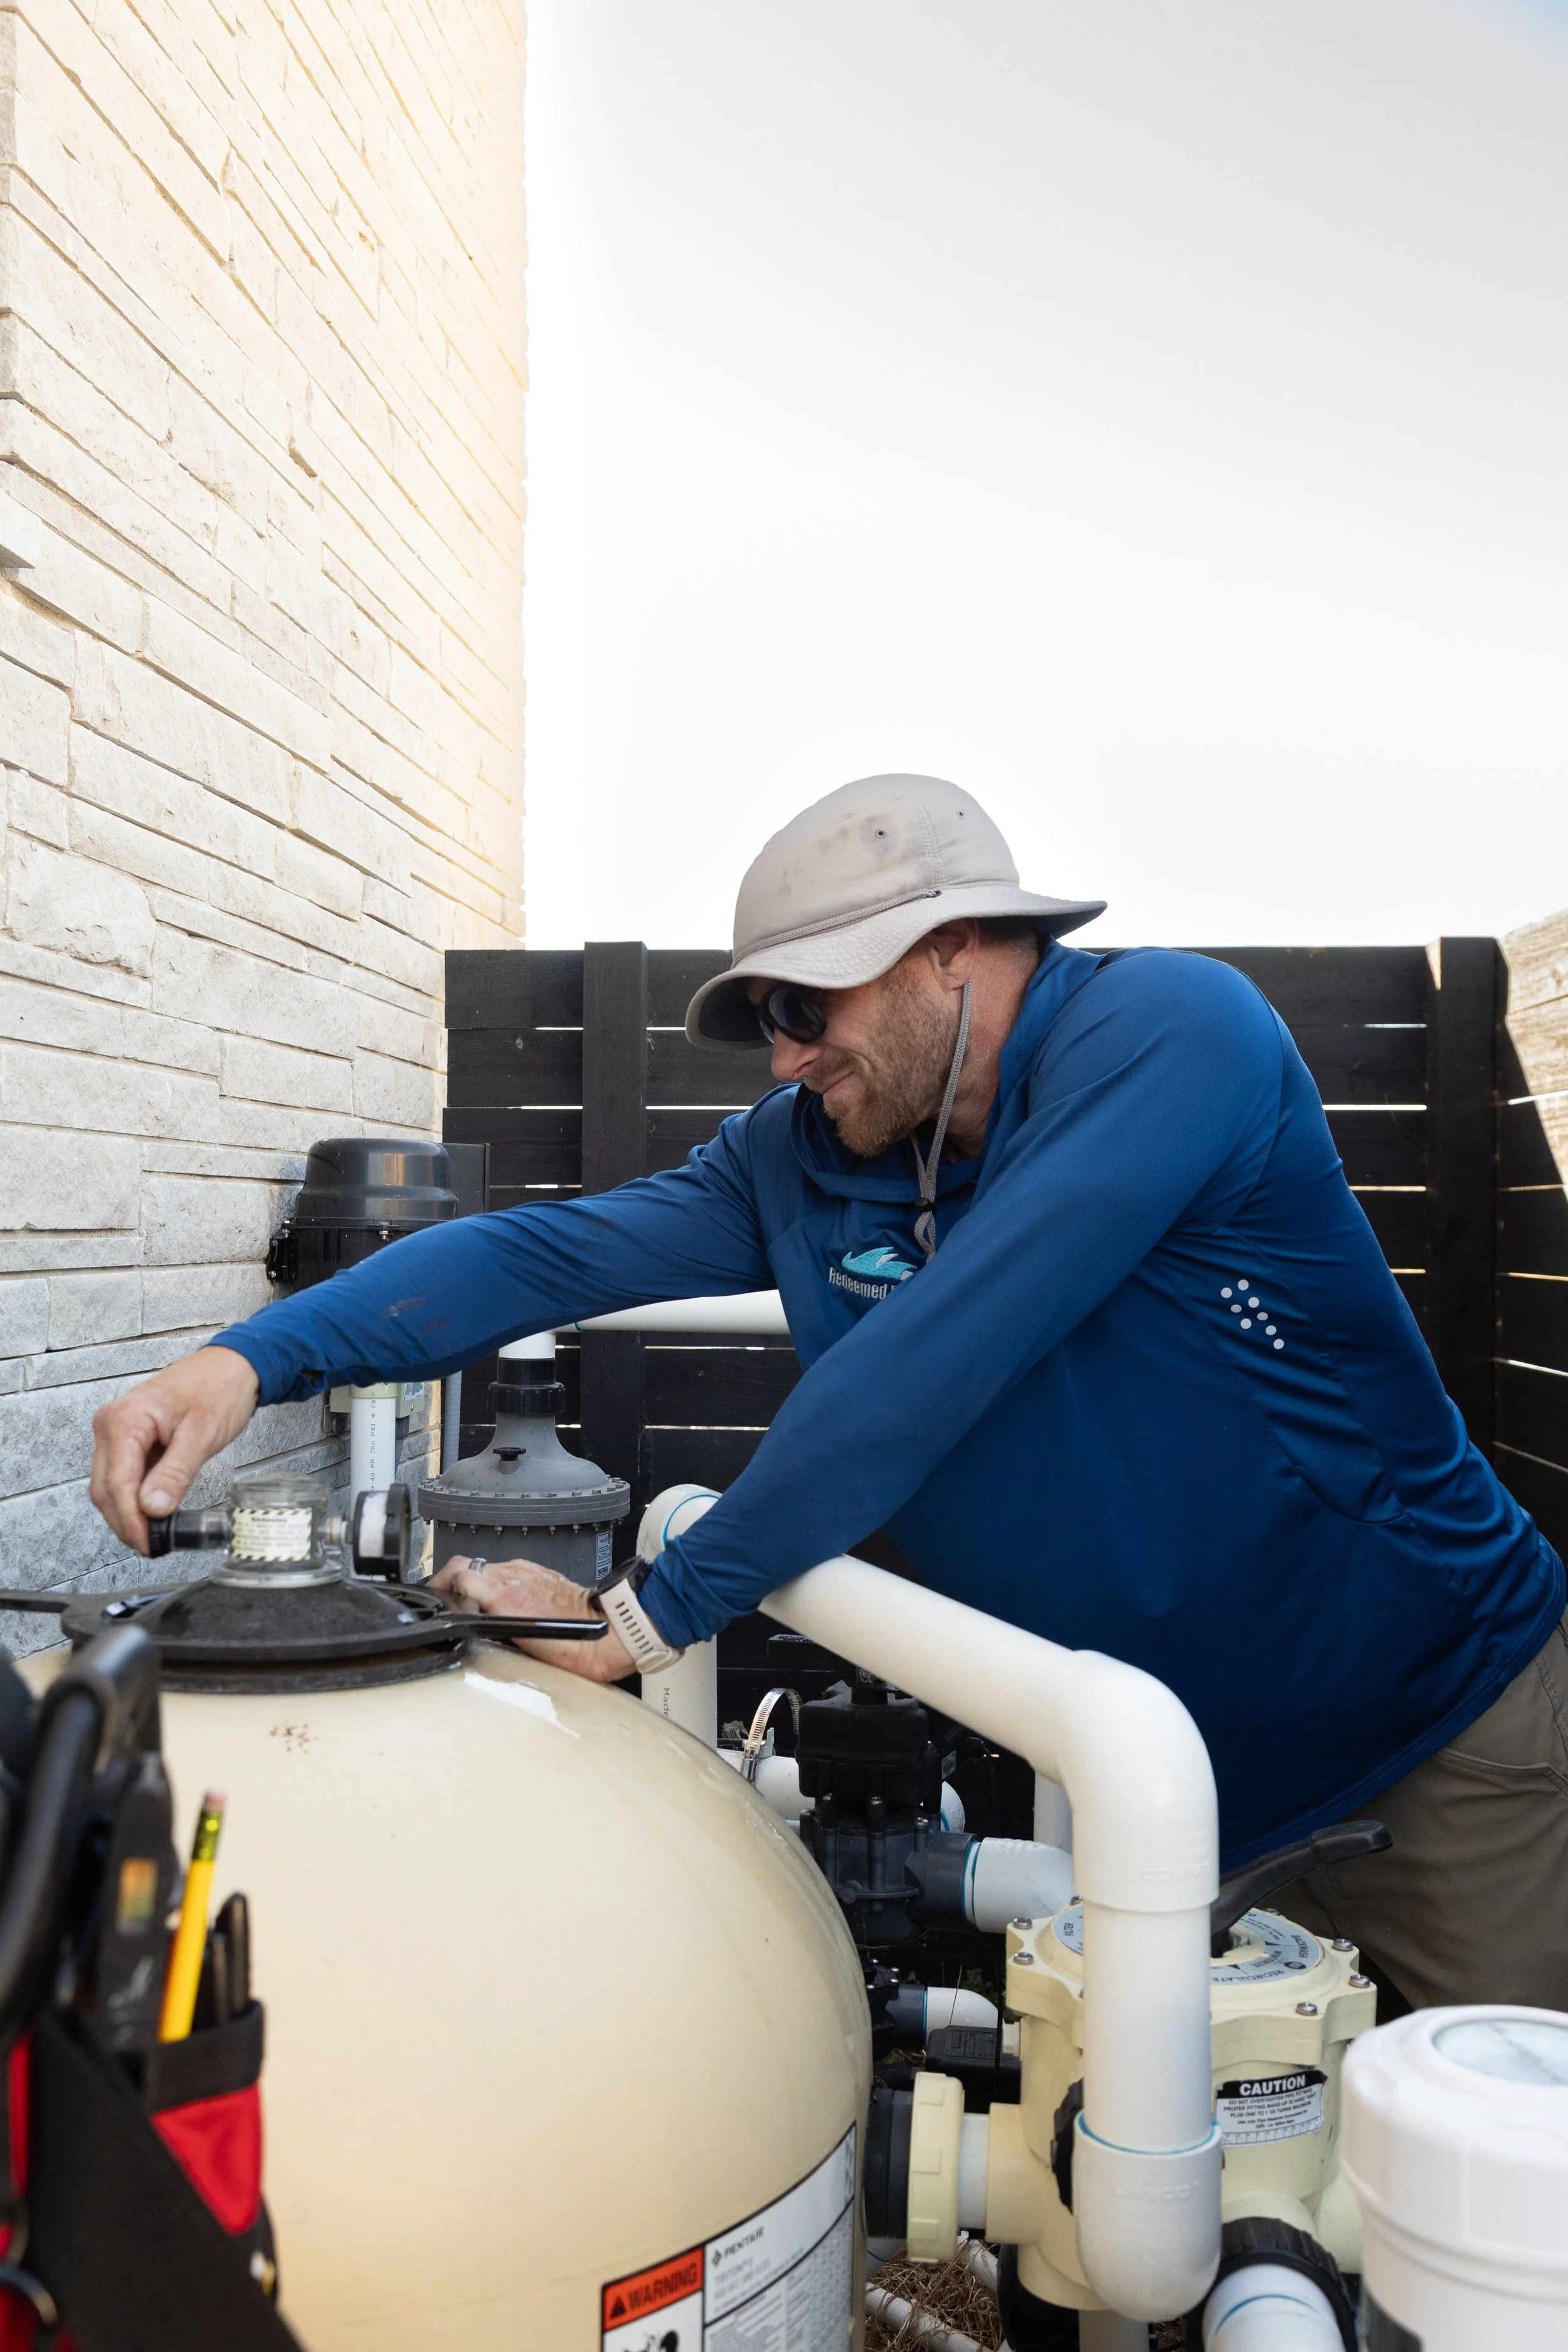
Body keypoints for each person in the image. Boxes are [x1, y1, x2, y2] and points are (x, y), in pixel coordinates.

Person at [90, 774, 1567, 2010]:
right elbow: (546, 1254)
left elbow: (931, 1366)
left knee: (1509, 2199)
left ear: (952, 948)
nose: (788, 1057)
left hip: (1441, 1740)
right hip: (1169, 1801)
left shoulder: (1172, 1036)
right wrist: (248, 1358)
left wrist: (645, 1617)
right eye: (764, 1022)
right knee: (1207, 2221)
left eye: (805, 1004)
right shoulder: (799, 1156)